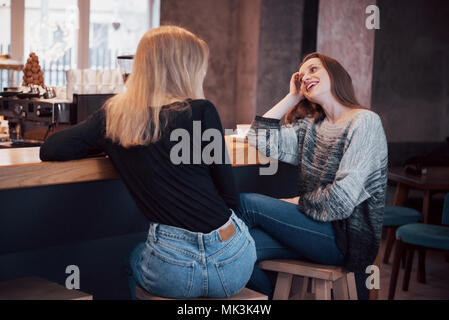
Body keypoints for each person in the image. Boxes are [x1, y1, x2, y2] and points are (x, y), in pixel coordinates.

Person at [39, 26, 256, 299]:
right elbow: (230, 198)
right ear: (184, 68)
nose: (203, 72)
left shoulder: (115, 119)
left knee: (134, 259)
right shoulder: (202, 111)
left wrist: (107, 144)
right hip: (232, 262)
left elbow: (51, 148)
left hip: (173, 270)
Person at [236, 52, 388, 300]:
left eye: (314, 69)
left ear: (335, 75)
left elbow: (341, 201)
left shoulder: (365, 122)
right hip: (313, 231)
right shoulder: (311, 128)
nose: (306, 76)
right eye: (303, 73)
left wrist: (298, 202)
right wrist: (292, 96)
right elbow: (258, 137)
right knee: (234, 251)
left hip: (344, 238)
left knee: (246, 203)